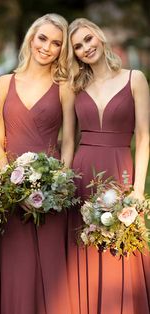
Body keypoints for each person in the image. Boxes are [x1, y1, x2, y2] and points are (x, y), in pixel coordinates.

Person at [0, 13, 75, 314]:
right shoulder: (3, 83)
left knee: (54, 274)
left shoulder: (64, 86)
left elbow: (68, 140)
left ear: (62, 50)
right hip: (11, 196)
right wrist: (14, 188)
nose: (47, 48)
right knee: (17, 270)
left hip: (53, 195)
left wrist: (59, 183)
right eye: (43, 38)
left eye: (56, 43)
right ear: (31, 37)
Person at [67, 18, 150, 314]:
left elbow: (143, 137)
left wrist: (138, 190)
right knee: (84, 251)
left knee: (121, 249)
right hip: (83, 173)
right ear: (74, 53)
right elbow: (68, 137)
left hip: (120, 170)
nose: (86, 48)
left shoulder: (134, 78)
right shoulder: (76, 86)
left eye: (88, 39)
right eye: (78, 46)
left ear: (100, 37)